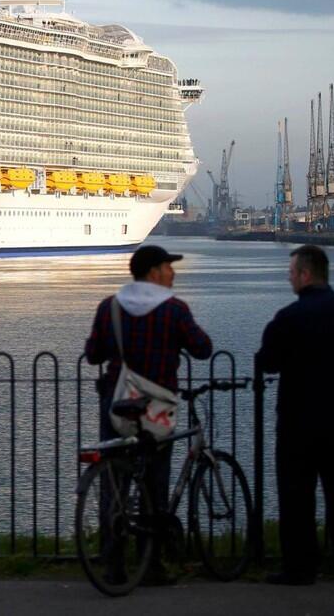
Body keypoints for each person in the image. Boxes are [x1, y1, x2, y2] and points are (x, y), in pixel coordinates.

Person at [85, 244, 213, 584]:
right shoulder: (174, 310)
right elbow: (203, 349)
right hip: (156, 406)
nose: (173, 273)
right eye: (169, 268)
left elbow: (93, 354)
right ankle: (150, 564)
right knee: (155, 483)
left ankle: (113, 564)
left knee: (115, 482)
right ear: (154, 272)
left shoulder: (109, 307)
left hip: (117, 403)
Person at [257, 245, 334, 585]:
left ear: (305, 275)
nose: (289, 277)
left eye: (292, 272)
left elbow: (267, 360)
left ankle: (300, 567)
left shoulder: (287, 318)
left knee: (297, 498)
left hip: (297, 422)